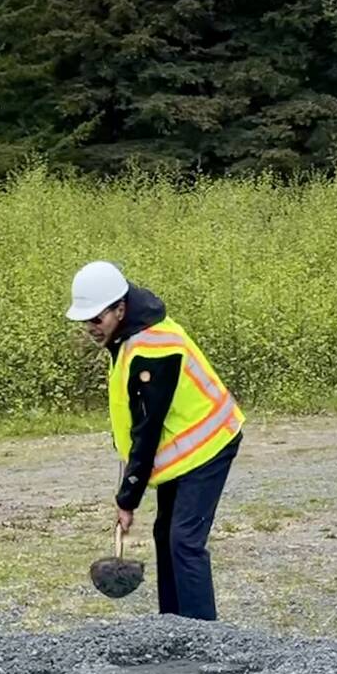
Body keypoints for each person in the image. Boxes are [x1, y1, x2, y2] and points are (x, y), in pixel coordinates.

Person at [66, 261, 242, 620]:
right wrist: (127, 488)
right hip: (183, 449)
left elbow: (146, 431)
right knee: (165, 534)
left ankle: (202, 637)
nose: (90, 328)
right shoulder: (127, 335)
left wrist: (127, 498)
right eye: (85, 321)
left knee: (184, 542)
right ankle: (173, 625)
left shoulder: (153, 349)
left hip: (209, 443)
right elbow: (133, 424)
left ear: (120, 308)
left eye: (96, 319)